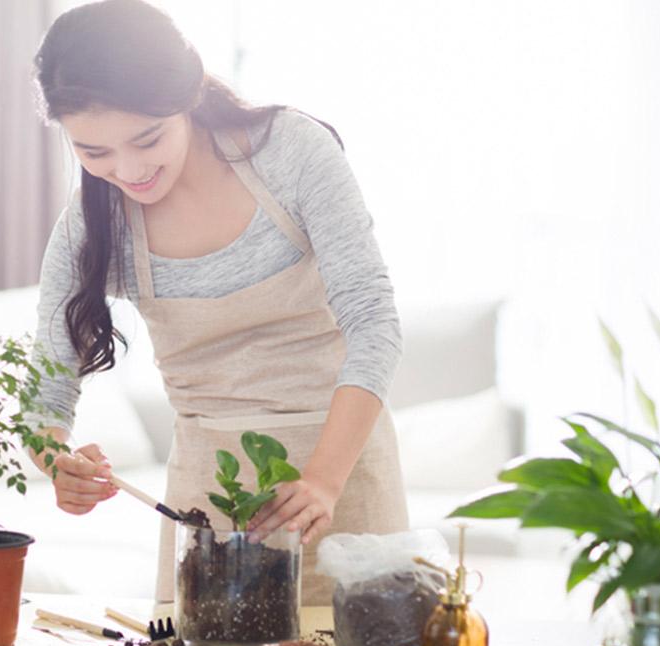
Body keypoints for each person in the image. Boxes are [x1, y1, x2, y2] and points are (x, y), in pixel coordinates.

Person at [26, 0, 408, 604]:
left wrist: (324, 481)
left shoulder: (290, 151)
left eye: (147, 138)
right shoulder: (94, 223)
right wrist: (55, 461)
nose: (127, 170)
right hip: (207, 501)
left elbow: (374, 323)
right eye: (92, 153)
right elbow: (47, 386)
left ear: (188, 94)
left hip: (345, 476)